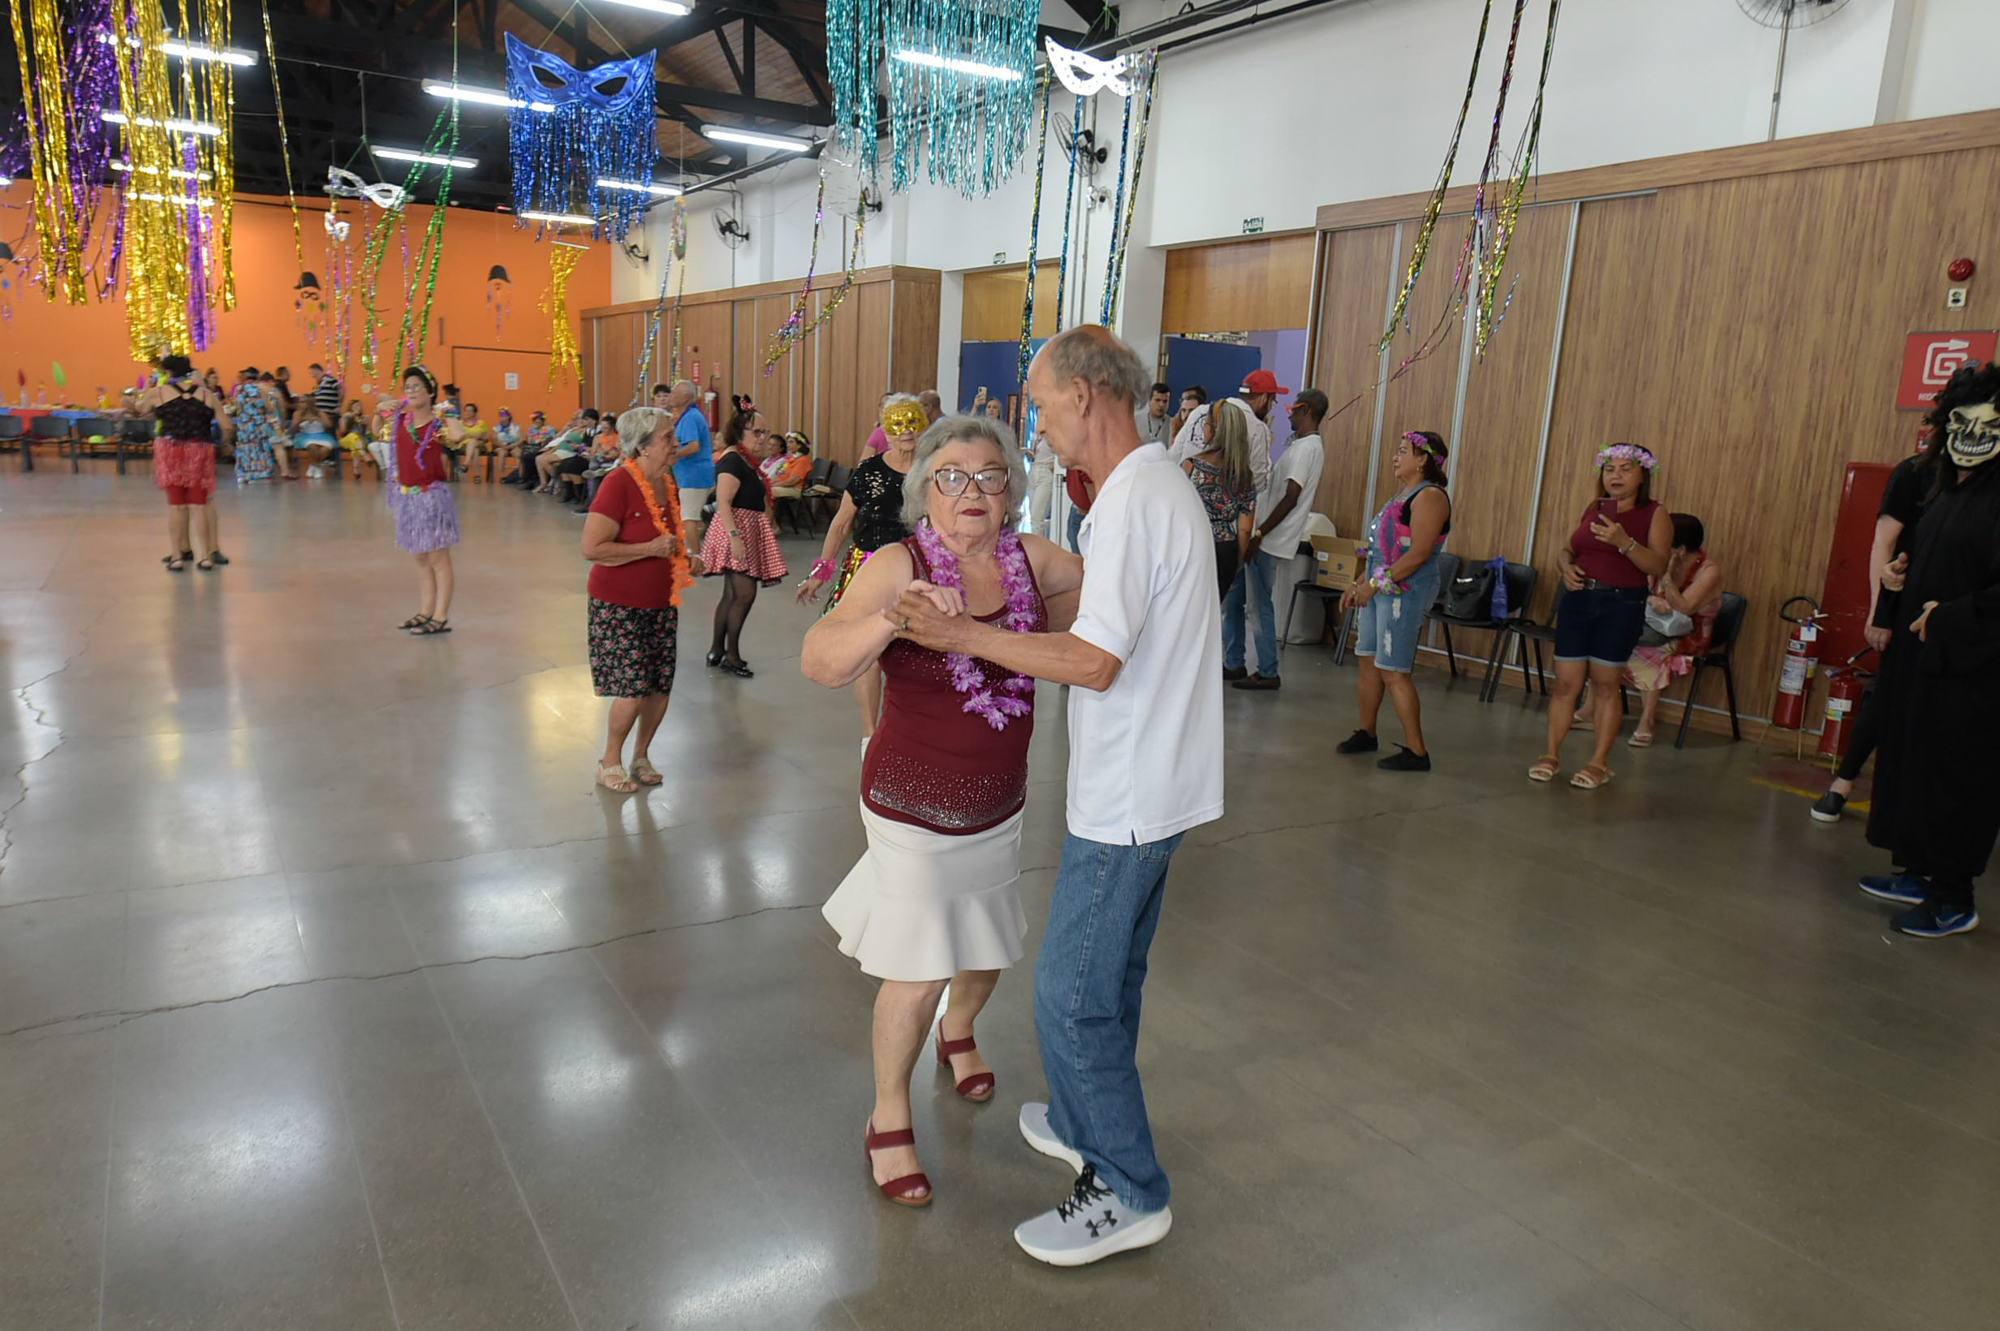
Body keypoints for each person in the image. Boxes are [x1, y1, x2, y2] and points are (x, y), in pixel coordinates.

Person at [891, 325, 1223, 1267]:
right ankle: (1084, 1122)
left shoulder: (1132, 501)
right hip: (1158, 779)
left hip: (1131, 794)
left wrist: (966, 637)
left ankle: (1126, 1187)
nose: (1036, 427)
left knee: (1070, 999)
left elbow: (1093, 660)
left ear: (1083, 393)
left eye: (1039, 406)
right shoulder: (1151, 489)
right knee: (1111, 979)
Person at [805, 414, 1084, 1209]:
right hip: (911, 806)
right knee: (921, 966)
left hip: (997, 801)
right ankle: (888, 1114)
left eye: (990, 476)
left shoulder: (1033, 561)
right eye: (953, 476)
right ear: (924, 490)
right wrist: (892, 618)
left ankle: (960, 1030)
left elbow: (1102, 599)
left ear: (1011, 491)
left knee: (986, 942)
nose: (972, 491)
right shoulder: (897, 564)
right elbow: (820, 659)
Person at [1861, 367, 2000, 937]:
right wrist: (1899, 579)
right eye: (1961, 424)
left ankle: (1954, 898)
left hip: (1975, 672)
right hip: (1927, 662)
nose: (1972, 436)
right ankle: (1919, 873)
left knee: (1957, 780)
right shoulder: (1949, 489)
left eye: (1987, 426)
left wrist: (1950, 616)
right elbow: (1932, 557)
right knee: (1917, 767)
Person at [1812, 415, 1953, 822]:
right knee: (1888, 695)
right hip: (1908, 604)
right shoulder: (1916, 472)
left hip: (1967, 612)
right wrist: (1880, 611)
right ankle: (1843, 781)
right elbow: (1883, 544)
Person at [1530, 444, 1673, 789]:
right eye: (1610, 469)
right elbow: (1568, 550)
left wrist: (1625, 542)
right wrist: (1566, 568)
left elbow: (1658, 566)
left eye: (1625, 469)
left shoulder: (1655, 513)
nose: (1616, 476)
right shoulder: (1595, 507)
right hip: (1579, 599)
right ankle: (1550, 755)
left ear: (1642, 476)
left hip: (1621, 604)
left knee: (1606, 684)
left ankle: (1599, 763)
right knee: (1566, 683)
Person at [581, 406, 695, 793]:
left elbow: (669, 540)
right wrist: (649, 548)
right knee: (632, 688)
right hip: (619, 605)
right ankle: (609, 760)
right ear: (643, 446)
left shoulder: (667, 482)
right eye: (667, 437)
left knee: (660, 686)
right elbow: (592, 548)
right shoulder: (618, 483)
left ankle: (641, 756)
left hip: (661, 602)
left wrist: (686, 558)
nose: (675, 443)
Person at [798, 395, 926, 739]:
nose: (906, 431)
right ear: (885, 429)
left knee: (916, 649)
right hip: (867, 567)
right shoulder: (869, 470)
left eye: (912, 422)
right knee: (868, 652)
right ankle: (871, 736)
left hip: (916, 569)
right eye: (897, 424)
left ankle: (911, 728)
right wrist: (821, 571)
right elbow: (842, 522)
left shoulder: (934, 469)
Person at [1335, 431, 1453, 770]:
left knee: (1394, 670)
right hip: (1380, 589)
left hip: (1405, 593)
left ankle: (1417, 751)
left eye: (1403, 451)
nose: (1395, 457)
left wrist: (1373, 584)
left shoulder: (1430, 497)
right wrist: (1359, 583)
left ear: (1423, 459)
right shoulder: (1401, 495)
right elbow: (1381, 553)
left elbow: (1417, 555)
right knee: (1368, 660)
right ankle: (1366, 732)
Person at [1229, 388, 1328, 691]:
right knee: (1234, 598)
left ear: (1307, 410)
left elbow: (1291, 497)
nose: (1289, 415)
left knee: (1259, 607)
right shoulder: (1300, 446)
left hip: (1268, 541)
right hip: (1260, 536)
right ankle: (1233, 662)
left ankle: (1268, 670)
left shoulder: (1308, 448)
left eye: (1293, 409)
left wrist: (1260, 534)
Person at [1618, 513, 1723, 748]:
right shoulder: (1659, 559)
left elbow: (1685, 607)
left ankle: (1647, 721)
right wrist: (1651, 599)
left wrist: (1666, 577)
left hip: (1691, 635)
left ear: (1681, 550)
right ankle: (1593, 708)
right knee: (1610, 639)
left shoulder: (1708, 571)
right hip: (1656, 628)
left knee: (1651, 650)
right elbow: (1638, 592)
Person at [702, 408, 787, 677]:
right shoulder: (732, 460)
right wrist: (735, 538)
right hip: (736, 531)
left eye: (765, 432)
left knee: (732, 594)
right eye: (756, 432)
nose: (762, 437)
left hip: (746, 529)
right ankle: (731, 655)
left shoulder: (746, 460)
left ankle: (717, 650)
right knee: (745, 594)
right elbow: (724, 502)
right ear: (739, 432)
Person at [382, 366, 465, 635]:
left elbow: (458, 436)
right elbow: (376, 429)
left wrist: (448, 412)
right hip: (408, 499)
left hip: (432, 497)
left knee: (438, 557)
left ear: (430, 392)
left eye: (417, 386)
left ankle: (440, 615)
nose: (411, 390)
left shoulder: (438, 424)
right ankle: (425, 610)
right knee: (420, 557)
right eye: (407, 387)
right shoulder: (400, 420)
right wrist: (382, 407)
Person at [137, 353, 229, 571]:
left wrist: (140, 395)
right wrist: (224, 443)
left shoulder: (159, 392)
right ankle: (204, 557)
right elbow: (227, 425)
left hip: (171, 452)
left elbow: (140, 409)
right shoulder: (206, 394)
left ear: (168, 372)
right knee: (199, 505)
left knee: (177, 506)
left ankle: (177, 556)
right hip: (200, 452)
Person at [1182, 396, 1258, 597]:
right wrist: (1237, 561)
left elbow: (1178, 514)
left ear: (1215, 429)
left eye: (1206, 424)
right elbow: (1245, 529)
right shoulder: (1245, 475)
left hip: (1193, 546)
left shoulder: (1190, 466)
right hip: (1225, 550)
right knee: (1214, 611)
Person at [230, 368, 282, 483]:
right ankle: (260, 474)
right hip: (258, 424)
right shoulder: (261, 389)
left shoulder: (239, 389)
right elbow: (268, 407)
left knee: (245, 449)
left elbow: (236, 406)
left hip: (244, 424)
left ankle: (244, 474)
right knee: (260, 448)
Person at [293, 405, 338, 477]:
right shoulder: (298, 413)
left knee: (326, 449)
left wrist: (319, 419)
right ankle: (318, 467)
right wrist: (302, 420)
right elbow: (295, 428)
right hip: (305, 435)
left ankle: (314, 465)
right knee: (312, 446)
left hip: (321, 435)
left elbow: (329, 426)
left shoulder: (320, 413)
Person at [458, 402, 494, 481]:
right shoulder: (460, 423)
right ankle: (477, 475)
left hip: (480, 444)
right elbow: (458, 437)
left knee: (473, 442)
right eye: (466, 410)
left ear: (474, 413)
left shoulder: (481, 423)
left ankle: (466, 464)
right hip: (464, 446)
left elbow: (487, 437)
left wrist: (480, 436)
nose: (467, 412)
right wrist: (471, 435)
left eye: (470, 411)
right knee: (475, 449)